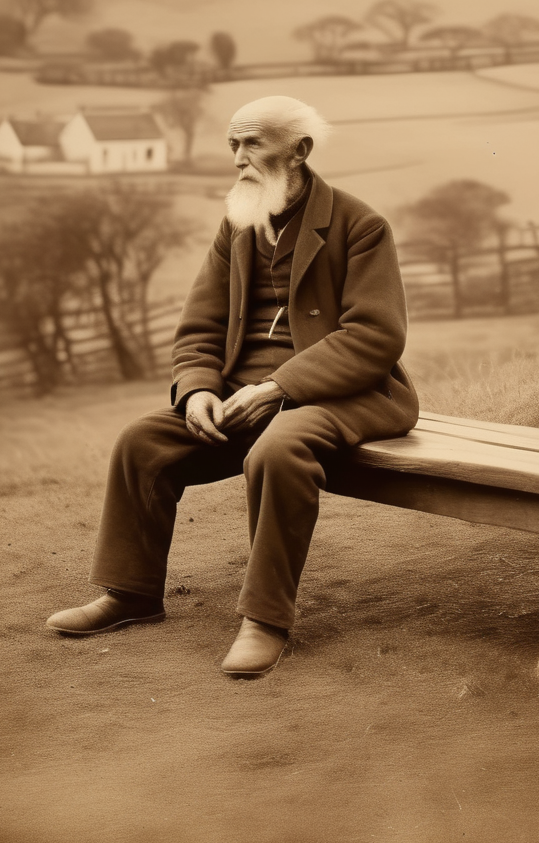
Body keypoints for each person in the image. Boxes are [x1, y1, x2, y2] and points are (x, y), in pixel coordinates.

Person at [46, 94, 419, 677]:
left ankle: (265, 619)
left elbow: (374, 337)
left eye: (252, 144)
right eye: (233, 145)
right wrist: (197, 390)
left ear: (299, 151)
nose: (238, 159)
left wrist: (278, 387)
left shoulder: (362, 226)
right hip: (240, 396)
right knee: (143, 441)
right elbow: (200, 326)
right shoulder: (239, 225)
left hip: (342, 394)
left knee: (278, 450)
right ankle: (131, 593)